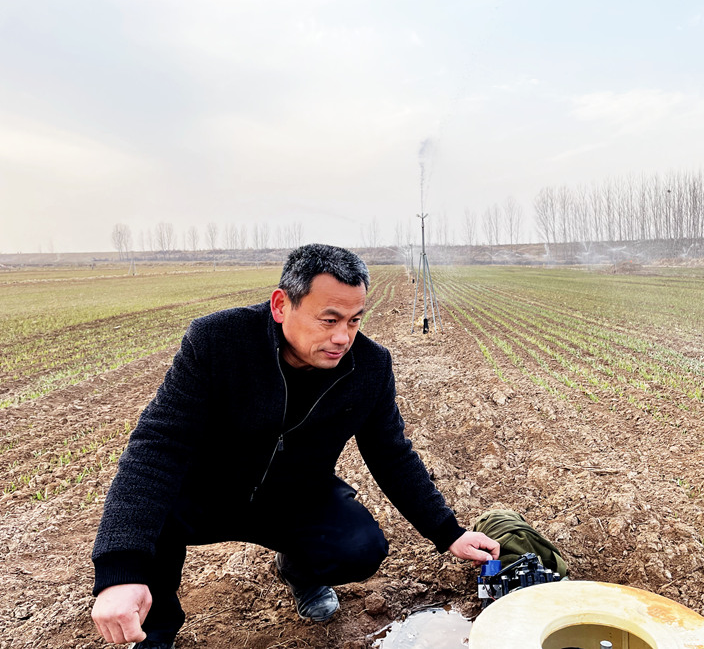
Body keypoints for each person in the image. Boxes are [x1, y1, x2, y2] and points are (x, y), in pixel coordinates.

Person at [90, 244, 499, 648]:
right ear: (282, 305)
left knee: (360, 547)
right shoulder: (218, 342)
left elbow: (391, 453)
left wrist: (448, 533)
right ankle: (157, 630)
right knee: (154, 508)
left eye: (355, 320)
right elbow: (157, 447)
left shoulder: (370, 367)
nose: (343, 337)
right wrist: (120, 571)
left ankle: (300, 572)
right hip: (205, 493)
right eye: (329, 319)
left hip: (294, 496)